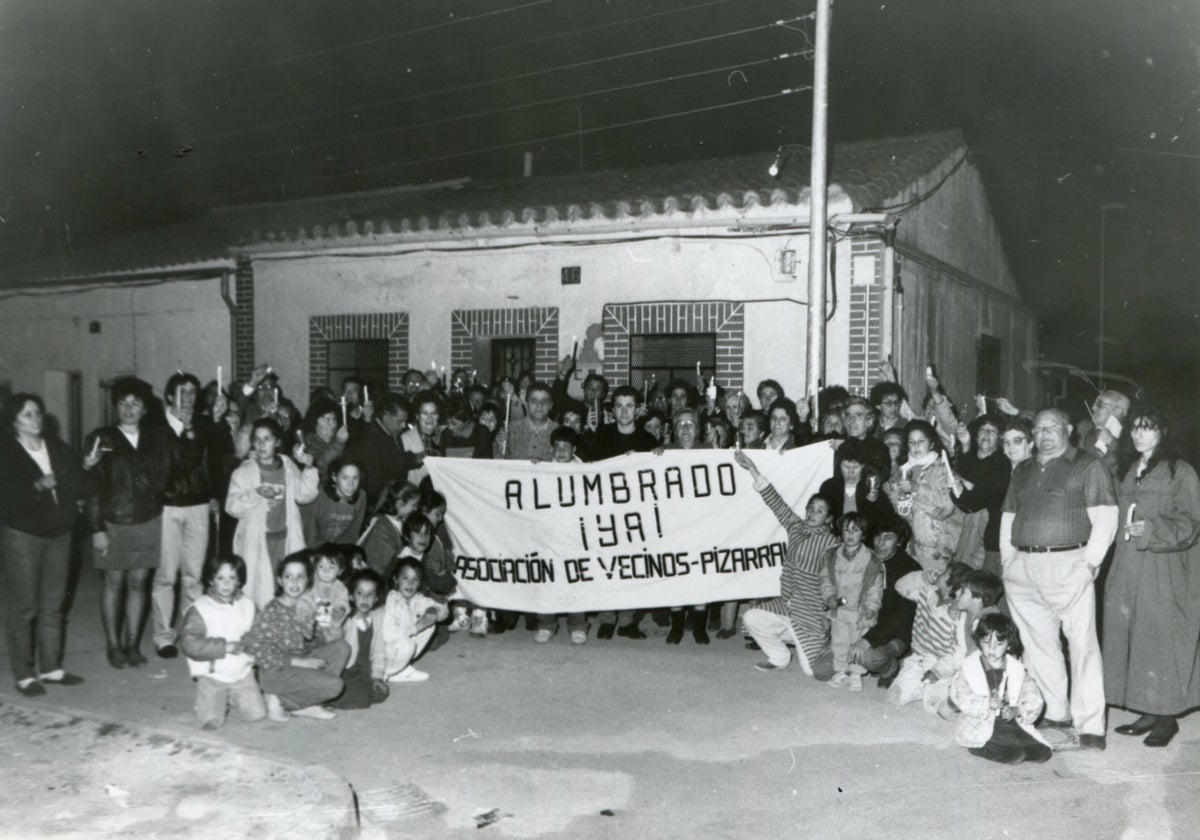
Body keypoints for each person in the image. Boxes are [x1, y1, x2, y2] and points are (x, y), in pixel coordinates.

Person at [999, 407, 1117, 750]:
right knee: (1039, 646)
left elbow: (1107, 519)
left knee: (1082, 646)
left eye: (1052, 427)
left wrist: (1088, 565)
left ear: (1068, 428)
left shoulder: (1087, 465)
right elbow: (1009, 516)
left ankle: (1091, 726)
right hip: (1024, 567)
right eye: (1039, 429)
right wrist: (1009, 562)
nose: (1045, 434)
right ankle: (1056, 712)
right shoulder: (1022, 469)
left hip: (1070, 564)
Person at [1103, 403, 1200, 748]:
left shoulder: (1180, 472)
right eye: (1135, 428)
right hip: (1127, 565)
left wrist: (1152, 528)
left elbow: (1190, 524)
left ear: (1163, 432)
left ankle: (1167, 717)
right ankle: (1145, 708)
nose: (1139, 434)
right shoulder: (1128, 469)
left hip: (1163, 567)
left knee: (1161, 639)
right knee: (1132, 637)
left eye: (1148, 427)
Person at [0, 393, 94, 695]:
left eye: (38, 413)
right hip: (24, 535)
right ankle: (25, 674)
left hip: (59, 534)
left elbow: (80, 483)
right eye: (28, 414)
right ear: (14, 421)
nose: (36, 418)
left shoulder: (57, 447)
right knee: (25, 607)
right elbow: (7, 501)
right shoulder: (6, 452)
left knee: (53, 605)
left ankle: (51, 668)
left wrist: (87, 468)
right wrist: (37, 487)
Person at [87, 377, 171, 669]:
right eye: (123, 402)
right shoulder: (102, 437)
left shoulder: (156, 437)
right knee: (114, 583)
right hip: (113, 522)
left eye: (135, 403)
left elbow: (165, 475)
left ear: (145, 409)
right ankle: (114, 645)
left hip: (148, 520)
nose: (128, 408)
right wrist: (97, 528)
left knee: (139, 583)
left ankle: (132, 644)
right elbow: (92, 486)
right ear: (115, 406)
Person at [736, 450, 838, 678]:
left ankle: (833, 645)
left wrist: (830, 618)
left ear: (829, 519)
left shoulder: (832, 543)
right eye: (811, 508)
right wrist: (752, 469)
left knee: (813, 672)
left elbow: (840, 585)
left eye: (819, 511)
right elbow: (775, 501)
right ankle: (779, 658)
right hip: (787, 605)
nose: (812, 513)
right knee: (752, 617)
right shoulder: (796, 526)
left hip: (812, 613)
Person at [153, 371, 222, 660]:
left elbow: (212, 462)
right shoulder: (157, 428)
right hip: (168, 507)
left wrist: (213, 494)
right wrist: (185, 430)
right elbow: (174, 465)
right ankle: (163, 635)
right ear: (170, 396)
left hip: (198, 506)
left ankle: (191, 633)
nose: (190, 398)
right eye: (183, 392)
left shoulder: (202, 426)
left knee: (194, 575)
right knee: (167, 574)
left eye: (194, 393)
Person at [241, 552, 350, 721]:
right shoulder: (272, 610)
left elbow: (322, 642)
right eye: (288, 576)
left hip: (301, 665)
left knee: (342, 647)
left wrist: (335, 624)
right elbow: (254, 648)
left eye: (300, 577)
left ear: (308, 582)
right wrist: (297, 662)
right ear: (280, 581)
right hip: (276, 672)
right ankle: (277, 699)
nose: (294, 582)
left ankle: (302, 704)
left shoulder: (308, 607)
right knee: (335, 685)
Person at [226, 418, 320, 609]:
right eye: (258, 439)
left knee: (287, 586)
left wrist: (309, 468)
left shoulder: (287, 465)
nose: (261, 444)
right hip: (257, 539)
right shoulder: (242, 472)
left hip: (285, 537)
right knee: (257, 588)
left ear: (277, 442)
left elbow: (304, 495)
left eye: (267, 439)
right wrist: (255, 494)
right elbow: (231, 507)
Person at [950, 613, 1052, 765]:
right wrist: (987, 704)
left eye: (998, 644)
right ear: (979, 641)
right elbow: (960, 696)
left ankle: (1012, 742)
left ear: (1008, 645)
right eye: (986, 642)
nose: (991, 649)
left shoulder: (1017, 669)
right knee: (1015, 755)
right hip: (981, 723)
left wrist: (1018, 710)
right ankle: (979, 747)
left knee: (1043, 753)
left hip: (1010, 722)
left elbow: (1033, 696)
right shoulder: (969, 668)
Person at [178, 555, 266, 730]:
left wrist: (251, 641)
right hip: (213, 675)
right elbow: (189, 644)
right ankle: (207, 701)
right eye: (220, 578)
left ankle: (234, 695)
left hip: (242, 673)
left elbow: (259, 632)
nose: (226, 584)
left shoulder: (248, 605)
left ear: (239, 580)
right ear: (211, 580)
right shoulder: (201, 609)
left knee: (256, 714)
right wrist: (225, 647)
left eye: (231, 578)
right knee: (211, 722)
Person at [887, 562, 972, 710]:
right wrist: (923, 578)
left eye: (945, 573)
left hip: (941, 664)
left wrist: (939, 671)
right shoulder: (928, 592)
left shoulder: (958, 615)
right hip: (918, 659)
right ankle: (918, 687)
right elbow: (900, 586)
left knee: (933, 706)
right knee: (894, 696)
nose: (940, 573)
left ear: (952, 586)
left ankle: (946, 688)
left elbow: (960, 652)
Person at [850, 515, 921, 687]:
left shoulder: (909, 570)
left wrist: (868, 640)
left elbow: (901, 620)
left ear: (899, 541)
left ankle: (890, 668)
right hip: (865, 625)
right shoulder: (865, 560)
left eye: (888, 537)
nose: (880, 543)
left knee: (869, 658)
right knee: (823, 669)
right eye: (877, 536)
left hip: (898, 634)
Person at [885, 420, 964, 574]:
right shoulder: (904, 470)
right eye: (911, 442)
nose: (916, 446)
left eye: (921, 441)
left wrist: (917, 488)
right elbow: (904, 513)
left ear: (932, 444)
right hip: (914, 545)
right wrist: (893, 495)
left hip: (938, 546)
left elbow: (948, 504)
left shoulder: (943, 468)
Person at [534, 428, 588, 644]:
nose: (562, 451)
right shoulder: (543, 469)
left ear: (574, 449)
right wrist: (531, 468)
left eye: (567, 447)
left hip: (574, 535)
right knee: (547, 580)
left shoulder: (586, 471)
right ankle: (546, 624)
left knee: (576, 579)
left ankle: (577, 625)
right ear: (551, 448)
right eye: (558, 447)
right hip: (549, 535)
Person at [820, 513, 884, 691]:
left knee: (856, 643)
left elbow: (875, 586)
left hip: (859, 611)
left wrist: (872, 605)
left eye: (855, 530)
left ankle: (856, 673)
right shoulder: (832, 554)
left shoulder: (871, 558)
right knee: (839, 642)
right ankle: (841, 671)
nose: (850, 534)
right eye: (846, 530)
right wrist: (829, 596)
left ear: (863, 534)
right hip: (839, 609)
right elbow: (825, 578)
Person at [950, 414, 1012, 577]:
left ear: (999, 439)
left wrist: (960, 481)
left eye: (992, 431)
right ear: (976, 436)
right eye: (983, 430)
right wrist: (965, 444)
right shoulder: (969, 456)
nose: (987, 434)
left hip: (988, 530)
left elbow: (978, 498)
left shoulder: (1002, 462)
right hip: (966, 525)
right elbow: (965, 483)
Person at [375, 557, 448, 683]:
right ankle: (388, 672)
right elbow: (389, 635)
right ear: (396, 579)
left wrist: (434, 610)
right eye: (405, 578)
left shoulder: (417, 598)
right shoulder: (393, 598)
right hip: (383, 650)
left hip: (400, 645)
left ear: (419, 584)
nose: (410, 583)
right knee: (409, 644)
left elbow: (444, 613)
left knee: (431, 621)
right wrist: (415, 628)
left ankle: (401, 667)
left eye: (415, 580)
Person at [330, 569, 390, 710]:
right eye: (360, 593)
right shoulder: (347, 619)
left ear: (376, 598)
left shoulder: (378, 617)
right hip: (346, 669)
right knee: (362, 699)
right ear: (351, 596)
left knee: (381, 693)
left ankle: (347, 692)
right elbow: (335, 641)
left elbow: (379, 650)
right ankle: (327, 699)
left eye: (370, 594)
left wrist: (377, 677)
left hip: (365, 669)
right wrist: (336, 624)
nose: (365, 598)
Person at [346, 392, 414, 508]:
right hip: (377, 506)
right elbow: (373, 485)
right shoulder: (369, 439)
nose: (404, 426)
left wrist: (413, 459)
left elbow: (393, 460)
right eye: (400, 421)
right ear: (386, 415)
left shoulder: (391, 430)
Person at [819, 437, 894, 523]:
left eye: (856, 467)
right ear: (839, 465)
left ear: (863, 465)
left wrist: (875, 503)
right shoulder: (828, 487)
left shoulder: (871, 488)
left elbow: (888, 521)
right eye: (846, 467)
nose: (851, 472)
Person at [359, 480, 420, 581]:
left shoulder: (401, 523)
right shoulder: (381, 526)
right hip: (376, 579)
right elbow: (384, 563)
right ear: (400, 504)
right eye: (413, 505)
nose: (416, 509)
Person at [302, 457, 366, 547]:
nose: (350, 484)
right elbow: (309, 535)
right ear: (334, 477)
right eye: (345, 478)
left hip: (335, 550)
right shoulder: (318, 496)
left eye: (355, 478)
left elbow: (352, 534)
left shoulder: (361, 497)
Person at [297, 545, 351, 645]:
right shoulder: (311, 581)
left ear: (340, 571)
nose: (326, 571)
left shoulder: (341, 588)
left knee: (340, 640)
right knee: (304, 603)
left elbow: (343, 602)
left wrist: (340, 610)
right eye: (321, 566)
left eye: (331, 567)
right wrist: (307, 614)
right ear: (314, 567)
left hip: (330, 625)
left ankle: (328, 645)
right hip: (311, 621)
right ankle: (305, 621)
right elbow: (304, 598)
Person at [589, 385, 658, 460]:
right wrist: (591, 433)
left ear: (637, 410)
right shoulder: (601, 434)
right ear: (614, 410)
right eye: (619, 406)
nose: (624, 411)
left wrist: (639, 457)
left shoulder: (648, 440)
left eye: (629, 406)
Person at [494, 381, 556, 461]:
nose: (539, 405)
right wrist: (500, 448)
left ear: (551, 405)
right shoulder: (510, 429)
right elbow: (498, 465)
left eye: (544, 401)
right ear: (526, 404)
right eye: (534, 401)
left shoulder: (559, 432)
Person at [835, 396, 892, 480]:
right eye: (848, 415)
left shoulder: (879, 448)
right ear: (844, 421)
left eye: (858, 415)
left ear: (868, 422)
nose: (852, 420)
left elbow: (879, 476)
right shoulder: (837, 445)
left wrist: (853, 446)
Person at [301, 398, 350, 480]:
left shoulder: (338, 438)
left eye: (334, 419)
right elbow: (320, 466)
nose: (333, 424)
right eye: (327, 419)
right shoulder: (307, 443)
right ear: (314, 422)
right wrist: (339, 443)